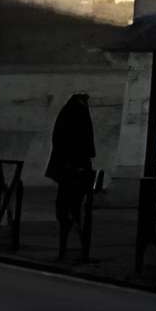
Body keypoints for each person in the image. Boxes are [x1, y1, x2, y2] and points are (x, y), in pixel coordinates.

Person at [46, 90, 95, 260]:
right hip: (74, 170)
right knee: (72, 208)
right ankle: (74, 246)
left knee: (68, 208)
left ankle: (70, 246)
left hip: (69, 169)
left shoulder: (69, 112)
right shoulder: (78, 113)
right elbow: (82, 142)